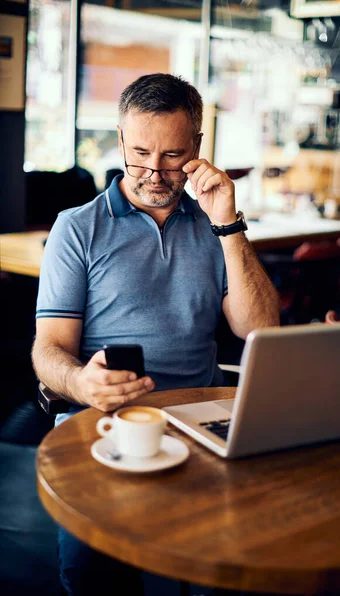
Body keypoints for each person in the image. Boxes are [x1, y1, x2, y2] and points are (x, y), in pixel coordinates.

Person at [32, 73, 279, 596]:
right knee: (95, 576)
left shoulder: (215, 223)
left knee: (243, 560)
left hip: (203, 420)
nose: (155, 171)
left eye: (172, 155)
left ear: (197, 147)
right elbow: (48, 349)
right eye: (140, 151)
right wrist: (81, 384)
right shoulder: (77, 228)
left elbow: (261, 330)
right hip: (106, 423)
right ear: (119, 140)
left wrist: (228, 224)